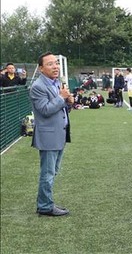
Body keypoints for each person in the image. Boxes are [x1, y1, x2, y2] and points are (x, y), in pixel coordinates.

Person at [30, 52, 74, 216]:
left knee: (52, 172)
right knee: (47, 173)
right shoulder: (38, 87)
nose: (55, 66)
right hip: (48, 136)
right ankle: (45, 206)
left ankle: (45, 203)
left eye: (56, 63)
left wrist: (68, 102)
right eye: (50, 64)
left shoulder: (56, 83)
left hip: (59, 134)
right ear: (41, 68)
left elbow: (60, 109)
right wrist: (61, 97)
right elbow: (45, 110)